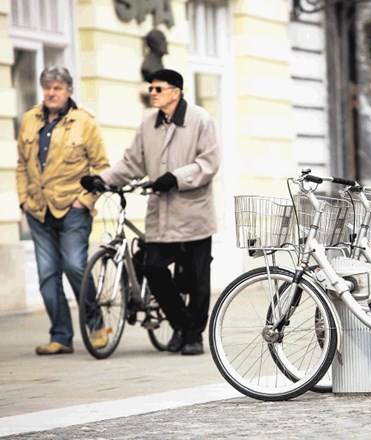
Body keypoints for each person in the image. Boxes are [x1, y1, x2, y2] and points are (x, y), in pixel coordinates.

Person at [82, 69, 220, 355]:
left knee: (196, 279)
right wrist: (102, 180)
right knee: (153, 268)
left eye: (158, 89)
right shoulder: (148, 125)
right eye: (151, 89)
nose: (153, 93)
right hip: (161, 214)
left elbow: (209, 163)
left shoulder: (200, 119)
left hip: (193, 213)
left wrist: (177, 177)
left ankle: (193, 336)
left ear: (175, 92)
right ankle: (181, 325)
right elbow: (131, 163)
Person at [16, 66, 110, 355]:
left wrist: (85, 200)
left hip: (73, 208)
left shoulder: (84, 122)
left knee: (74, 265)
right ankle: (61, 335)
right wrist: (23, 199)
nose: (50, 93)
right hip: (37, 209)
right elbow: (21, 164)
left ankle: (96, 326)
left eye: (56, 88)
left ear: (68, 90)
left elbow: (102, 167)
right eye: (47, 88)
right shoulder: (30, 120)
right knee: (47, 274)